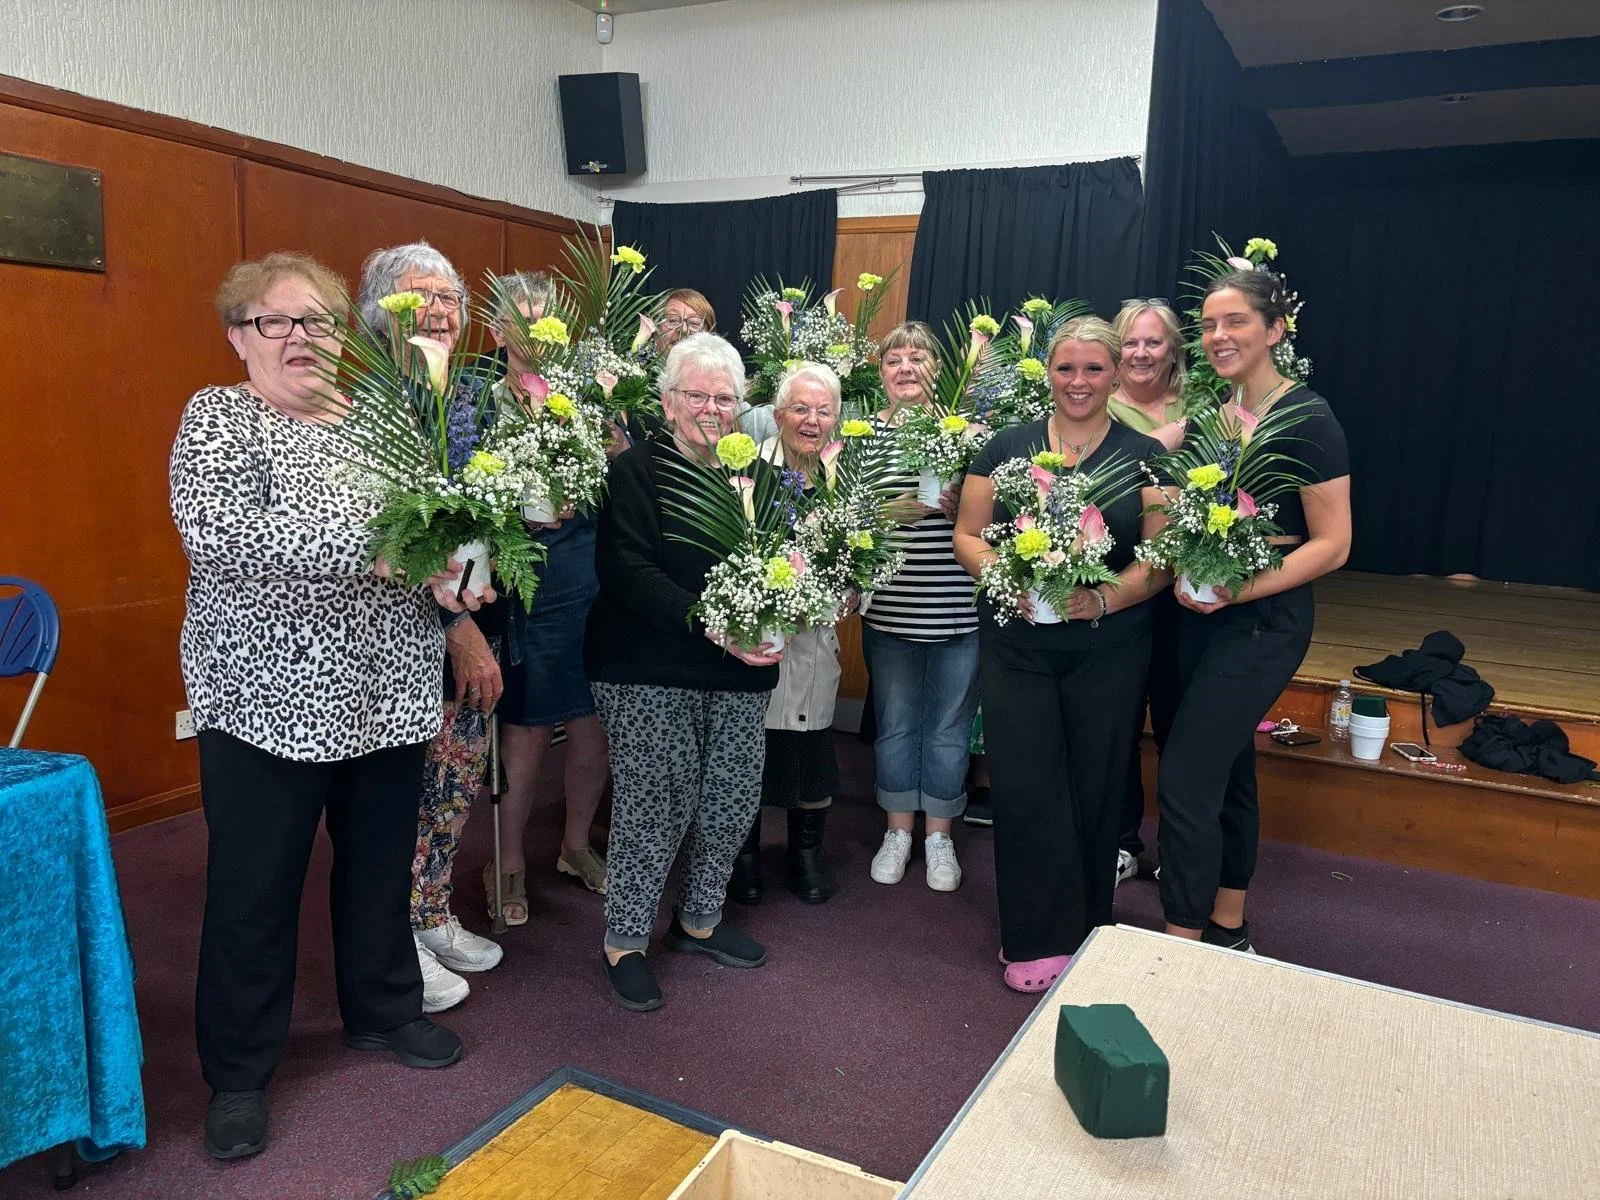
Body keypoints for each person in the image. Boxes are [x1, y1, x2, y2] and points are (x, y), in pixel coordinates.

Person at [171, 252, 467, 1160]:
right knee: (253, 894)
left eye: (319, 321)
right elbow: (220, 529)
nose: (300, 338)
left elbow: (436, 526)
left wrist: (462, 575)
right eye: (276, 321)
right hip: (264, 699)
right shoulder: (218, 417)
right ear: (239, 334)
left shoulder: (384, 423)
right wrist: (371, 549)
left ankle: (381, 1010)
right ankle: (239, 1074)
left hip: (388, 693)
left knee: (379, 870)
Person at [955, 316, 1170, 993]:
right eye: (1066, 368)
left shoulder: (1145, 457)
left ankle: (1087, 930)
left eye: (1093, 370)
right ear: (1048, 371)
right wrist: (1003, 578)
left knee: (1096, 786)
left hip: (1109, 649)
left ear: (1116, 375)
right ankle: (1030, 937)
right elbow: (967, 534)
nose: (1078, 382)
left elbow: (1160, 560)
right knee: (1024, 787)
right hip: (1017, 646)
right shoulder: (1004, 446)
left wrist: (1100, 601)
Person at [1156, 270, 1351, 953]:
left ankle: (1176, 941)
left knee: (1184, 778)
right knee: (1227, 766)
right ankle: (1229, 922)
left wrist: (1236, 590)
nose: (1217, 336)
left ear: (1275, 330)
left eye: (1235, 321)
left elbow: (1332, 545)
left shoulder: (1308, 418)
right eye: (1208, 324)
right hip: (1196, 619)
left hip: (1263, 623)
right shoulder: (1216, 417)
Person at [584, 332, 781, 1011]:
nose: (710, 408)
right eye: (695, 395)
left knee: (731, 799)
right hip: (646, 665)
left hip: (739, 671)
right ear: (667, 403)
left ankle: (699, 919)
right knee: (654, 805)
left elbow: (784, 564)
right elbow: (626, 570)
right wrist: (712, 624)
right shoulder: (635, 471)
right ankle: (626, 941)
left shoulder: (756, 476)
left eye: (724, 397)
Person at [356, 242, 504, 1012]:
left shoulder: (466, 397)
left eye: (449, 296)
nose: (440, 310)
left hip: (466, 617)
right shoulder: (369, 404)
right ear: (381, 311)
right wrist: (459, 626)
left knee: (453, 781)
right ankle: (393, 938)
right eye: (421, 296)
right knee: (401, 795)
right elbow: (391, 542)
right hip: (401, 640)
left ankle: (431, 912)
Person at [481, 271, 611, 924]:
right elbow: (462, 507)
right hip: (527, 585)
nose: (540, 334)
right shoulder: (480, 407)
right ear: (499, 330)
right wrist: (515, 513)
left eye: (550, 321)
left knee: (595, 727)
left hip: (591, 579)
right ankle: (505, 863)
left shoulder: (586, 402)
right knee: (528, 733)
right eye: (526, 322)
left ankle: (574, 845)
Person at [860, 321, 978, 892]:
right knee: (897, 727)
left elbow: (998, 524)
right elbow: (849, 518)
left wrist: (969, 506)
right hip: (890, 610)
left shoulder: (968, 433)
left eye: (918, 358)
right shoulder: (861, 437)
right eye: (894, 360)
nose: (906, 368)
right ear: (880, 373)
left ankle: (939, 839)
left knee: (950, 729)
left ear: (939, 368)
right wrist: (896, 511)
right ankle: (898, 831)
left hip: (957, 608)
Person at [730, 363, 846, 906]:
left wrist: (852, 593)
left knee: (812, 754)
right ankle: (744, 856)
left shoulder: (845, 479)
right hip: (762, 638)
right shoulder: (748, 474)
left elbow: (864, 557)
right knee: (751, 753)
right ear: (776, 416)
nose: (812, 420)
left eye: (824, 410)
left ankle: (805, 855)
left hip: (818, 642)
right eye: (800, 408)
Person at [1108, 300, 1189, 885]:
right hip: (1117, 584)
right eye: (1131, 342)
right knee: (1117, 721)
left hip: (1187, 589)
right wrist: (1162, 444)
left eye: (1153, 343)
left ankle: (1181, 849)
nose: (1141, 353)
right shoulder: (1093, 404)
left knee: (1180, 722)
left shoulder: (1206, 411)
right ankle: (1120, 840)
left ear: (1174, 351)